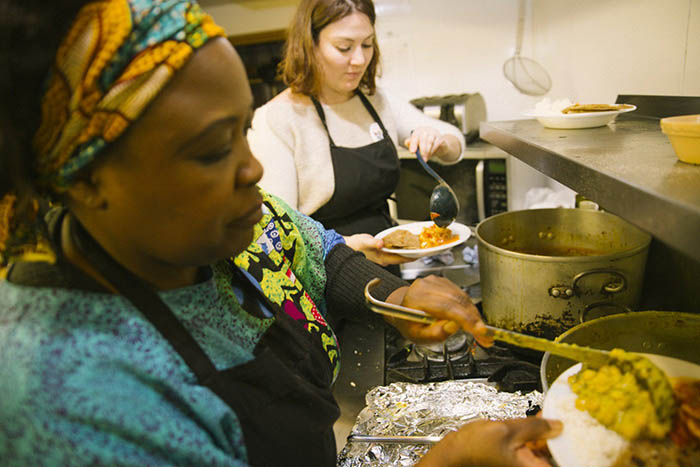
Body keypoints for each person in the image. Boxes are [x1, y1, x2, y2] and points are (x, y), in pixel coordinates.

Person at [0, 1, 560, 465]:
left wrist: (395, 296)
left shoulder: (230, 222)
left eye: (243, 131)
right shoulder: (63, 393)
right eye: (214, 149)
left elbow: (319, 249)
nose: (255, 170)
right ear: (91, 179)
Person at [247, 0, 466, 266]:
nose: (359, 60)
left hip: (386, 263)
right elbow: (279, 234)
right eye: (344, 47)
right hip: (326, 275)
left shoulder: (375, 101)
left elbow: (455, 143)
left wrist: (438, 140)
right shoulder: (278, 118)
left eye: (367, 44)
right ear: (310, 45)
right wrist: (348, 247)